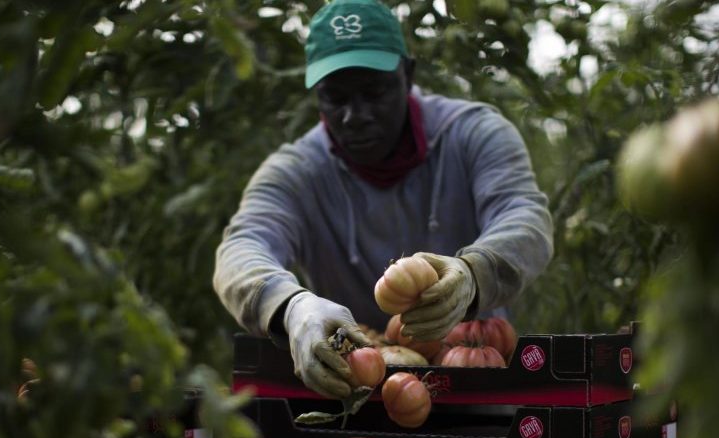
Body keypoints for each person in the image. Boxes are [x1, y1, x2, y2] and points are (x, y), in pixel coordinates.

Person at [213, 0, 553, 400]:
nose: (354, 116)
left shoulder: (474, 134)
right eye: (335, 98)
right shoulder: (297, 172)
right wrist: (291, 307)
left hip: (473, 388)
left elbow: (525, 218)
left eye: (374, 92)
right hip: (353, 398)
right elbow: (241, 247)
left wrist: (474, 273)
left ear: (407, 76)